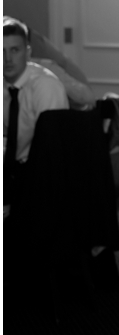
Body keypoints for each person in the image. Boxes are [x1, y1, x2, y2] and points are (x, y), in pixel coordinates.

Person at [4, 17, 69, 209]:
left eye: (14, 50)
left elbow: (53, 151)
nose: (7, 59)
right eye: (1, 51)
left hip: (40, 175)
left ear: (28, 53)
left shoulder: (45, 87)